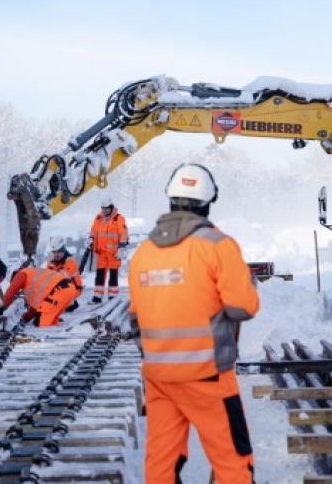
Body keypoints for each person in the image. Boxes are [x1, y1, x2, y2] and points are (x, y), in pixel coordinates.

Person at [128, 163, 259, 483]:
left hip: (159, 377)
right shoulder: (217, 245)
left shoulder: (143, 253)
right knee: (233, 460)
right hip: (208, 375)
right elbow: (243, 307)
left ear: (171, 199)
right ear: (208, 201)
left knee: (161, 462)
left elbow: (136, 319)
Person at [1, 265, 78, 327]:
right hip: (68, 288)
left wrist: (5, 313)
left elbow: (9, 294)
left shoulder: (21, 274)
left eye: (12, 281)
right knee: (51, 322)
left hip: (60, 290)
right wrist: (26, 318)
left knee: (41, 324)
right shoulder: (32, 276)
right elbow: (34, 307)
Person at [89, 195, 128, 303]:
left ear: (111, 208)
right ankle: (97, 296)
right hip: (101, 252)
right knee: (100, 275)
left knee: (113, 274)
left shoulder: (119, 218)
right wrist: (91, 239)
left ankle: (112, 296)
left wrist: (122, 248)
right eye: (103, 208)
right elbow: (93, 230)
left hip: (114, 253)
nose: (104, 211)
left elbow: (123, 233)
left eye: (107, 209)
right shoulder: (98, 218)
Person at [44, 236, 84, 312]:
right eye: (54, 252)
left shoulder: (70, 262)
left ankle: (69, 303)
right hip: (57, 290)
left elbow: (77, 285)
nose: (56, 255)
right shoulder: (51, 263)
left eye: (58, 252)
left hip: (71, 290)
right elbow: (46, 280)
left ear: (63, 250)